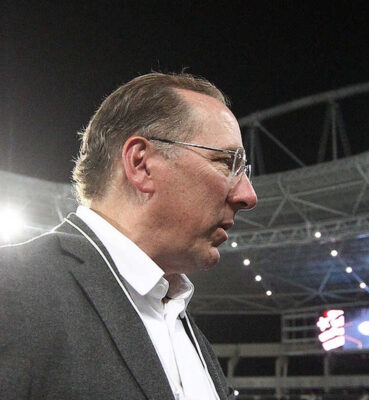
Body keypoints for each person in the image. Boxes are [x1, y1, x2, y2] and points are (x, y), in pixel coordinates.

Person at [0, 72, 257, 399]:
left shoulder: (183, 326)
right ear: (141, 164)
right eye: (226, 162)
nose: (248, 195)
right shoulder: (11, 289)